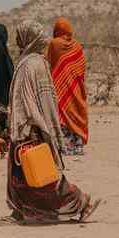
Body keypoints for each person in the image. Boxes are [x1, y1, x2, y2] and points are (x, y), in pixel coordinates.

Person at [0, 20, 100, 225]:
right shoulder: (31, 62)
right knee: (22, 176)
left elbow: (45, 101)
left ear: (28, 37)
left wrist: (44, 128)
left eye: (20, 35)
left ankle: (80, 202)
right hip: (25, 128)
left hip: (30, 129)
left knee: (42, 178)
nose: (16, 40)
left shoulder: (33, 64)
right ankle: (19, 212)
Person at [46, 17, 89, 156]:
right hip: (76, 87)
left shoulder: (54, 44)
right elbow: (82, 68)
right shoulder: (77, 46)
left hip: (60, 88)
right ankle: (77, 146)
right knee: (75, 112)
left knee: (62, 115)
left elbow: (49, 63)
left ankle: (64, 146)